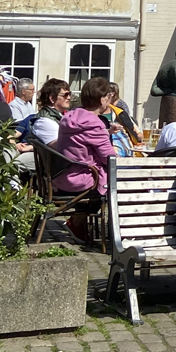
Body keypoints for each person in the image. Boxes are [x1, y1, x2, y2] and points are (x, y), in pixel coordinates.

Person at [52, 80, 119, 243]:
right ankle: (120, 233)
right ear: (103, 99)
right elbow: (109, 159)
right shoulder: (94, 123)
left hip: (62, 177)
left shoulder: (69, 117)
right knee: (121, 182)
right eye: (109, 96)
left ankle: (77, 224)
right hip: (83, 182)